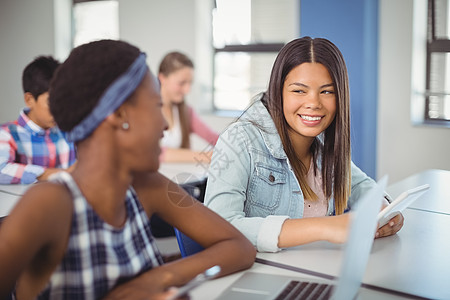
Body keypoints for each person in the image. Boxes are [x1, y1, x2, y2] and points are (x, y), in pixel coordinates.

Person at [0, 40, 255, 299]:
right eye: (157, 107)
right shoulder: (49, 204)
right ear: (119, 115)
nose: (165, 125)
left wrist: (157, 279)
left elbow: (239, 246)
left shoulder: (149, 185)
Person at [204, 36, 404, 253]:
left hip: (317, 270)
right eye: (299, 90)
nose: (314, 103)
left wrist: (385, 209)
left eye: (327, 91)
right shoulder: (241, 140)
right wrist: (324, 228)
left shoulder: (324, 140)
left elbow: (358, 184)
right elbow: (218, 228)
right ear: (278, 92)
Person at [0, 56, 76, 184]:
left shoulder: (70, 131)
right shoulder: (7, 134)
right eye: (51, 102)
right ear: (29, 100)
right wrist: (58, 174)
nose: (59, 109)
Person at [158, 51, 219, 163]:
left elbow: (214, 138)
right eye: (181, 83)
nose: (187, 90)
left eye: (190, 83)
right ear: (162, 78)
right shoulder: (146, 112)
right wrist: (206, 156)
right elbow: (155, 153)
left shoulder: (186, 112)